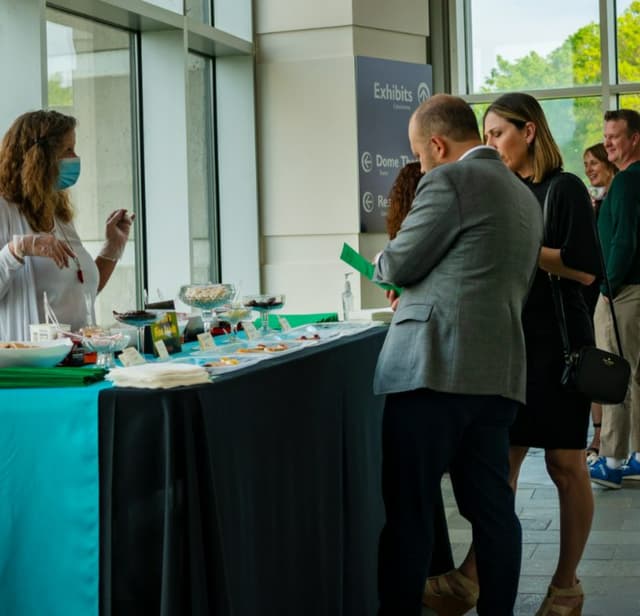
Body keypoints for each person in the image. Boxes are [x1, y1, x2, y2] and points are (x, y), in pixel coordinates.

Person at [425, 92, 601, 616]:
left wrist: (517, 247)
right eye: (486, 134)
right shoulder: (501, 189)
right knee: (499, 463)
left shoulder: (562, 188)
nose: (490, 143)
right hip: (509, 343)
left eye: (498, 132)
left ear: (529, 132)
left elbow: (586, 268)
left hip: (559, 349)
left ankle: (565, 586)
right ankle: (471, 578)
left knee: (566, 464)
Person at [373, 94, 543, 615]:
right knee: (491, 509)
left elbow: (399, 262)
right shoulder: (522, 194)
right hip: (496, 373)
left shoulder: (448, 180)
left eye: (419, 153)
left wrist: (382, 262)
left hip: (434, 371)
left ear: (438, 144)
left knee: (409, 510)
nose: (420, 163)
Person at [0, 109, 133, 340]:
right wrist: (16, 250)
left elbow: (81, 291)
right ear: (39, 158)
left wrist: (112, 248)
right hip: (33, 366)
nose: (75, 158)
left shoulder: (59, 215)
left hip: (76, 358)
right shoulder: (4, 209)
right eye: (67, 150)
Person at [589, 109, 640, 488]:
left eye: (615, 136)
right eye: (605, 136)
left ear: (634, 138)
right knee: (636, 375)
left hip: (622, 293)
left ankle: (611, 459)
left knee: (614, 374)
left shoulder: (625, 183)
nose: (607, 143)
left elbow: (623, 241)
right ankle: (636, 454)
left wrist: (608, 288)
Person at [582, 143, 618, 462]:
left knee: (608, 367)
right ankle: (598, 436)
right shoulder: (597, 202)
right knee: (600, 365)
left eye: (594, 162)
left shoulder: (614, 201)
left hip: (609, 291)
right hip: (596, 292)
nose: (589, 169)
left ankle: (606, 441)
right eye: (586, 164)